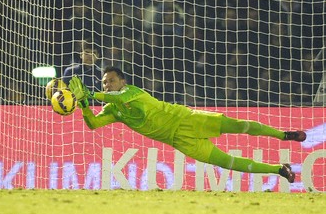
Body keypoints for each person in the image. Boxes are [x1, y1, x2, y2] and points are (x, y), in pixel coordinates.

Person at [68, 66, 306, 183]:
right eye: (104, 82)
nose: (107, 84)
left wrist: (90, 94)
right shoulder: (112, 108)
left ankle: (283, 135)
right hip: (178, 140)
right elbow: (94, 125)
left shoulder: (131, 92)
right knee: (228, 162)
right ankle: (279, 169)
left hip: (186, 119)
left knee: (238, 125)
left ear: (122, 80)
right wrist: (83, 105)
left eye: (111, 80)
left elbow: (118, 97)